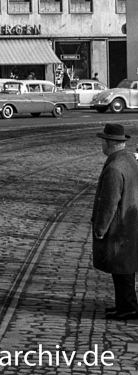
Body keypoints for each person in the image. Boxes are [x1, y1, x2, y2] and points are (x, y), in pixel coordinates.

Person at [91, 123, 138, 320]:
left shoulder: (114, 168)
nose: (102, 145)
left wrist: (100, 229)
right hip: (131, 222)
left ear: (109, 143)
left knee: (121, 268)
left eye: (103, 141)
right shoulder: (128, 160)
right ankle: (124, 305)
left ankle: (128, 307)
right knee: (125, 267)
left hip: (119, 228)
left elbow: (109, 202)